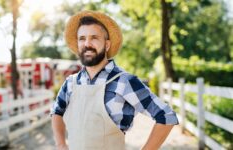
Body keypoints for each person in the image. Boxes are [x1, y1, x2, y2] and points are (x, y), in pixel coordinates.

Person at [51, 10, 178, 150]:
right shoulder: (71, 83)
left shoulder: (124, 81)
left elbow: (166, 116)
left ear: (107, 45)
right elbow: (56, 112)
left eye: (94, 38)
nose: (87, 44)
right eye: (82, 38)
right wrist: (61, 144)